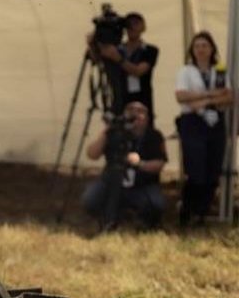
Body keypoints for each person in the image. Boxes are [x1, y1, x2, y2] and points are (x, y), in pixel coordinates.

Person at [174, 30, 233, 226]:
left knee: (213, 169)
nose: (201, 49)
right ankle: (187, 208)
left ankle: (201, 213)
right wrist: (212, 95)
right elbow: (181, 97)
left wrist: (202, 99)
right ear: (192, 49)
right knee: (196, 169)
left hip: (216, 122)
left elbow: (229, 97)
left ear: (212, 49)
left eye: (204, 46)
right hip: (193, 123)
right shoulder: (186, 71)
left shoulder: (221, 71)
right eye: (197, 46)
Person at [82, 101, 168, 231]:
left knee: (156, 205)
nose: (135, 114)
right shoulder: (113, 133)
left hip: (142, 185)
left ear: (147, 118)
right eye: (131, 110)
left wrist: (140, 164)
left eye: (140, 111)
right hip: (111, 182)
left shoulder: (154, 136)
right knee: (90, 200)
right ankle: (110, 217)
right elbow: (92, 154)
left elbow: (160, 164)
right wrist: (106, 133)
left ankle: (138, 218)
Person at [97, 12, 159, 117]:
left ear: (143, 27)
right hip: (119, 99)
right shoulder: (118, 49)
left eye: (136, 23)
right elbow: (98, 60)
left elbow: (139, 71)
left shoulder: (150, 50)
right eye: (129, 24)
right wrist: (94, 45)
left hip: (142, 99)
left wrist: (118, 58)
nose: (132, 28)